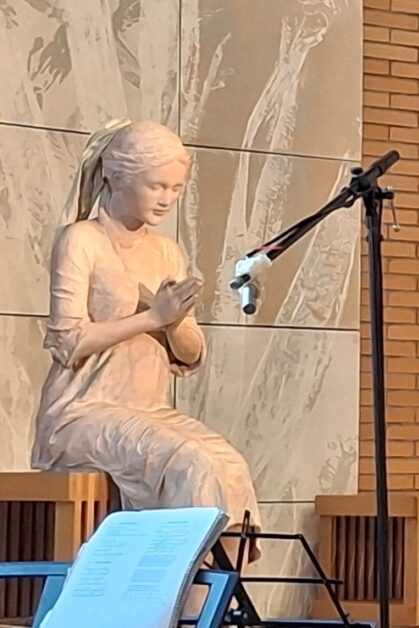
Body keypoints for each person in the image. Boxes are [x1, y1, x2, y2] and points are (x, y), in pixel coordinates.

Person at [32, 119, 261, 562]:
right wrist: (152, 317)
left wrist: (173, 324)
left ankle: (220, 591)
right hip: (82, 412)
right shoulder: (82, 240)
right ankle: (178, 590)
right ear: (118, 176)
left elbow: (190, 352)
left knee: (230, 464)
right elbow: (68, 342)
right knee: (191, 460)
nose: (166, 198)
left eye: (176, 188)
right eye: (156, 186)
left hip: (149, 408)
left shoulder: (166, 251)